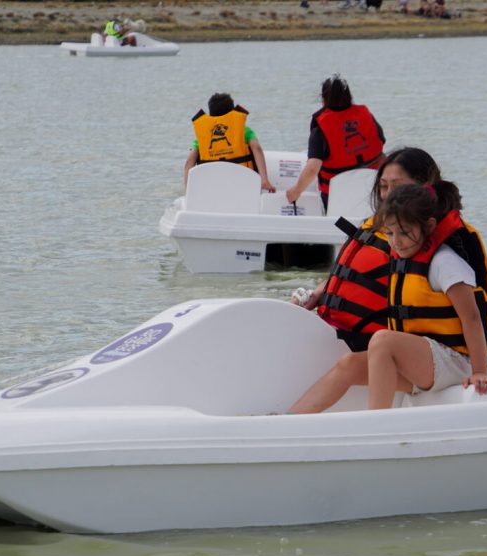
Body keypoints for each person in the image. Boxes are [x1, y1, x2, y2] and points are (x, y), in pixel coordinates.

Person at [289, 184, 487, 413]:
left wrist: (479, 372)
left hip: (455, 363)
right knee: (350, 364)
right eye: (390, 233)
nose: (396, 241)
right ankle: (287, 421)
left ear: (428, 226)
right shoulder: (402, 262)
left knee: (383, 340)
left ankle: (378, 424)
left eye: (404, 232)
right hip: (424, 362)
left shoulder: (445, 263)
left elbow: (472, 318)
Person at [292, 147, 459, 353]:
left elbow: (472, 306)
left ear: (424, 187)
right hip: (334, 328)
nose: (387, 194)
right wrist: (316, 293)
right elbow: (356, 274)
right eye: (383, 186)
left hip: (369, 345)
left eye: (397, 186)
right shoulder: (378, 227)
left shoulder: (425, 241)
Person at [285, 75, 385, 211]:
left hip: (338, 194)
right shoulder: (366, 116)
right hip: (373, 188)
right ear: (349, 96)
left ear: (323, 99)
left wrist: (296, 191)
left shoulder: (320, 130)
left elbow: (313, 168)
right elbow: (380, 143)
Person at [184, 93, 275, 193]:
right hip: (243, 182)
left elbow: (189, 161)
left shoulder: (201, 138)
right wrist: (264, 179)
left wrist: (187, 191)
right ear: (232, 112)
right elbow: (256, 148)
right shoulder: (244, 131)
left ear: (211, 113)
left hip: (212, 184)